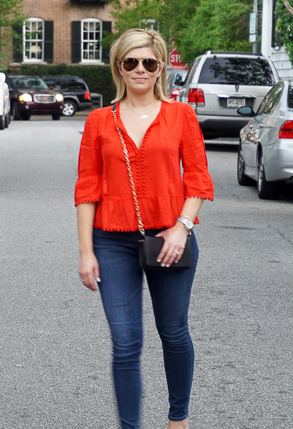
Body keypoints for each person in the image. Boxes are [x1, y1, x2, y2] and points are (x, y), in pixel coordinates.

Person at [75, 28, 213, 429]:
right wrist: (86, 252)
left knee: (173, 332)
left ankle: (177, 420)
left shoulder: (181, 116)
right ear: (119, 67)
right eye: (130, 62)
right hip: (111, 241)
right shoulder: (100, 121)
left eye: (148, 63)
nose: (140, 69)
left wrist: (181, 228)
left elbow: (199, 181)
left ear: (160, 68)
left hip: (170, 238)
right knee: (125, 343)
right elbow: (86, 189)